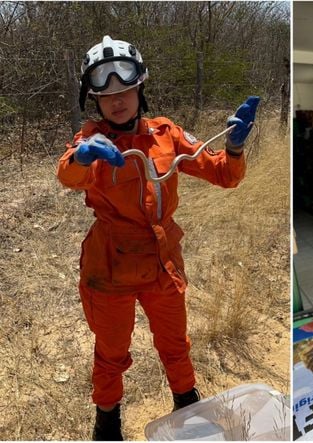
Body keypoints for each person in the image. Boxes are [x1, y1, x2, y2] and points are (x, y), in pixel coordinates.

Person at [56, 35, 259, 441]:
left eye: (125, 89)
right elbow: (67, 176)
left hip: (163, 262)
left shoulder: (167, 135)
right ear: (93, 99)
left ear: (140, 86)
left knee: (175, 343)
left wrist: (234, 148)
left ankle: (188, 405)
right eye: (106, 93)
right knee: (111, 353)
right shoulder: (89, 142)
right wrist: (82, 156)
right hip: (109, 266)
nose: (117, 100)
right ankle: (107, 423)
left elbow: (223, 175)